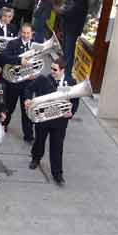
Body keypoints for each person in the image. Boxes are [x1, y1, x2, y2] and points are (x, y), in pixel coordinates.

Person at [24, 57, 78, 185]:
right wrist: (27, 99)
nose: (52, 71)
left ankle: (57, 173)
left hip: (60, 121)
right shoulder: (43, 79)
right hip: (43, 119)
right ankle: (35, 159)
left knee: (57, 147)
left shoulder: (71, 82)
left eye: (55, 69)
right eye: (52, 68)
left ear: (63, 70)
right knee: (39, 141)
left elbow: (75, 101)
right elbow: (28, 89)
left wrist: (71, 113)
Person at [1, 22, 37, 143]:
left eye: (28, 33)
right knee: (9, 106)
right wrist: (19, 60)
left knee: (26, 109)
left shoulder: (35, 46)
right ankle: (3, 124)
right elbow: (4, 57)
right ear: (20, 33)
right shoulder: (13, 43)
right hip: (14, 81)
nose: (26, 35)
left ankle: (28, 135)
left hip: (28, 83)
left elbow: (38, 62)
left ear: (32, 34)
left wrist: (34, 73)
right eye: (24, 33)